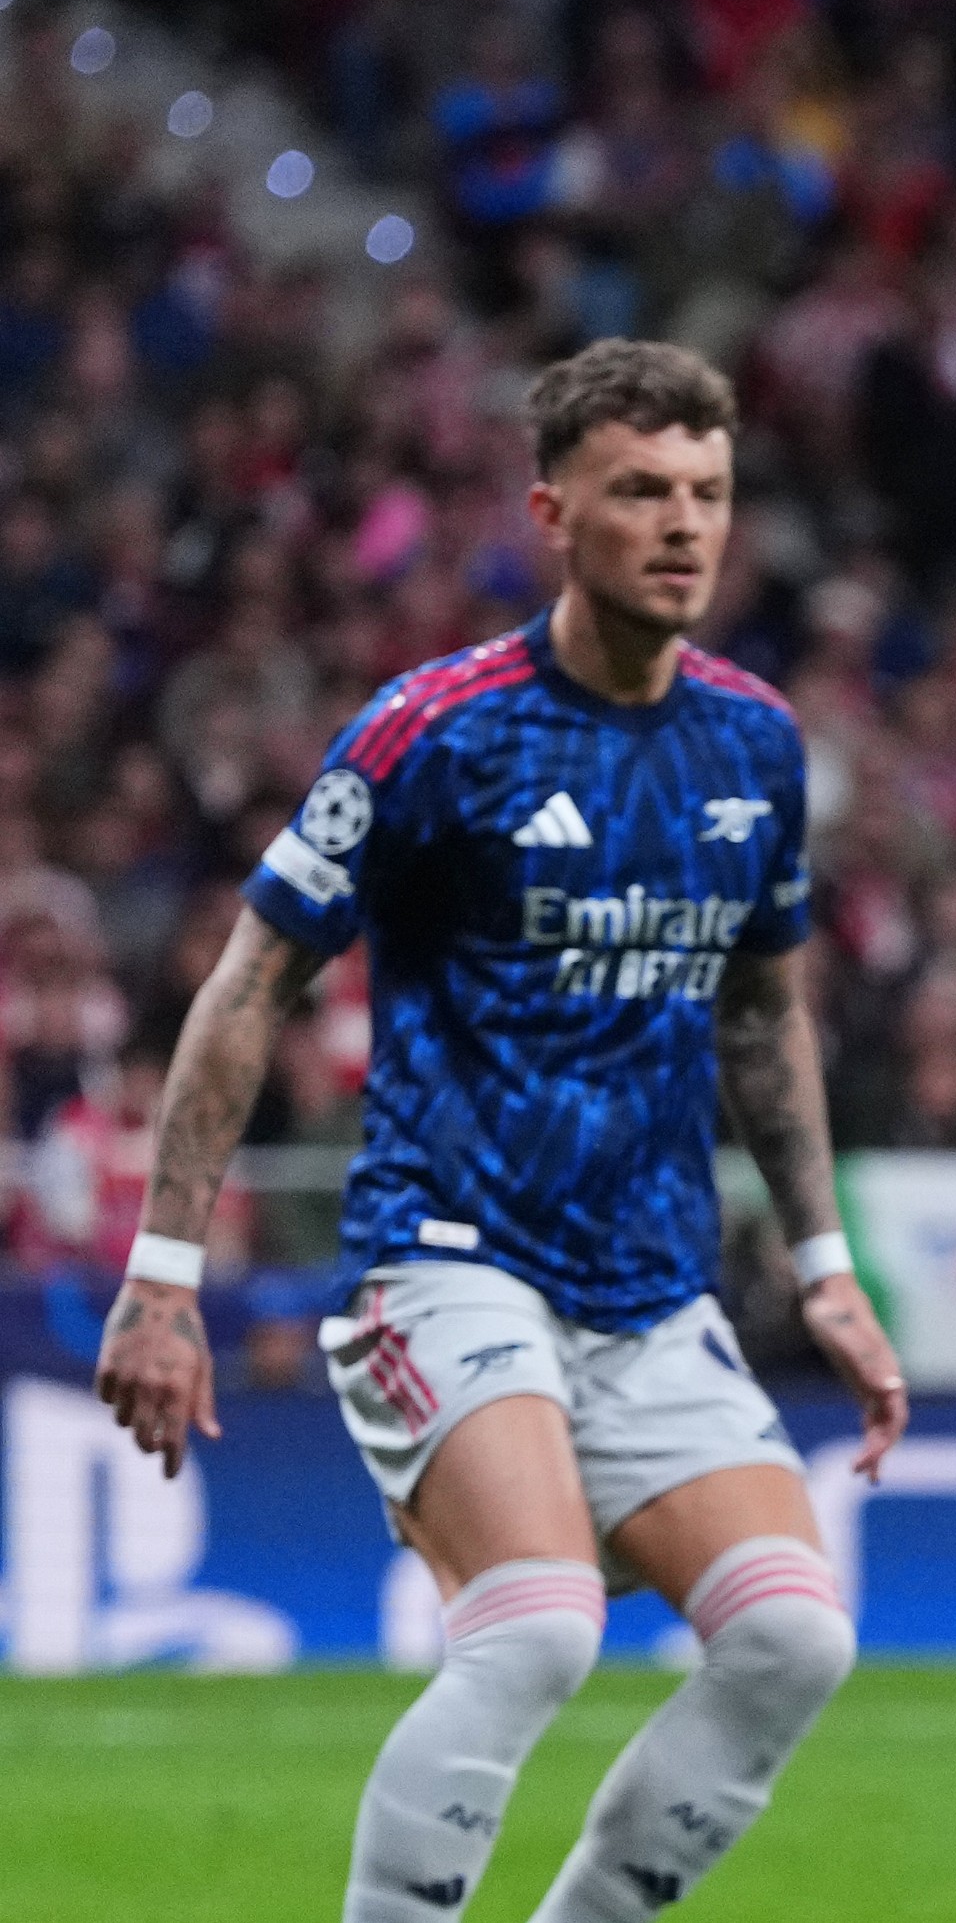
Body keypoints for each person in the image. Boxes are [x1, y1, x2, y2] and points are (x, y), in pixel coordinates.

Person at [90, 339, 910, 1923]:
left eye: (708, 494)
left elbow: (761, 1014)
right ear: (554, 512)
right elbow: (252, 981)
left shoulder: (755, 746)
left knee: (793, 1638)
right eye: (640, 493)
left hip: (652, 1286)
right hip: (447, 1259)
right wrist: (163, 1271)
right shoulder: (435, 730)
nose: (683, 526)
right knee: (536, 1626)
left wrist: (824, 1264)